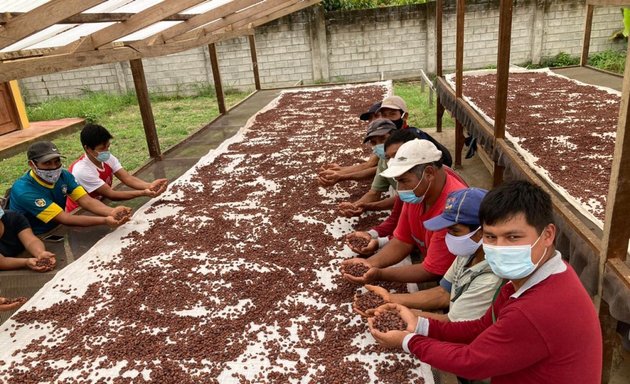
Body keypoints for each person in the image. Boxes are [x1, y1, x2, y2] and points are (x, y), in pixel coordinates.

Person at [368, 180, 602, 383]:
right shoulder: (529, 278)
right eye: (491, 237)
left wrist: (409, 341)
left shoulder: (536, 309)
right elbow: (481, 327)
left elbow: (472, 362)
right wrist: (419, 324)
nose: (499, 248)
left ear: (548, 235)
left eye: (513, 237)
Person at [355, 188, 503, 324]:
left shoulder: (491, 277)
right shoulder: (468, 253)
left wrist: (398, 313)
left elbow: (454, 325)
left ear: (481, 233)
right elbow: (443, 293)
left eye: (455, 231)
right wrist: (389, 299)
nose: (448, 236)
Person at [341, 139, 466, 285]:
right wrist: (369, 264)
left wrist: (379, 274)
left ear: (429, 173)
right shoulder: (419, 194)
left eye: (404, 180)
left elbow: (432, 270)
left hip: (455, 283)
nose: (399, 189)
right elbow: (403, 240)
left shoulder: (454, 208)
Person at [9, 141, 132, 235]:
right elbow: (65, 218)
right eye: (47, 163)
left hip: (57, 228)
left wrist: (111, 211)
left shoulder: (63, 175)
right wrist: (105, 220)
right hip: (33, 236)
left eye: (57, 161)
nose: (54, 167)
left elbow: (86, 200)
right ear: (32, 164)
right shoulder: (24, 190)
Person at [66, 123, 168, 212]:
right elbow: (111, 194)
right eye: (102, 148)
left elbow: (127, 178)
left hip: (99, 203)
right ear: (87, 148)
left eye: (108, 147)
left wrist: (149, 186)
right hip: (81, 211)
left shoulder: (107, 158)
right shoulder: (82, 170)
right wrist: (143, 192)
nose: (106, 151)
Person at [338, 118, 398, 217]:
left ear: (395, 136)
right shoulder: (384, 161)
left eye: (383, 139)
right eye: (374, 142)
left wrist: (368, 206)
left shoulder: (406, 159)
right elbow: (374, 193)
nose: (379, 145)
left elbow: (405, 198)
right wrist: (355, 206)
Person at [317, 102, 382, 187]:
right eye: (370, 119)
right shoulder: (378, 137)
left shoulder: (391, 137)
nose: (372, 121)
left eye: (377, 116)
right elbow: (369, 164)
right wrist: (339, 170)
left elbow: (373, 167)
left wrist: (340, 175)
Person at [377, 95, 453, 167]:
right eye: (384, 115)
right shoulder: (392, 136)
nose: (387, 119)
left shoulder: (412, 137)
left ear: (405, 116)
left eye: (392, 114)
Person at [0, 207, 56, 272]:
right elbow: (1, 261)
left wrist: (40, 252)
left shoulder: (14, 218)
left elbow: (31, 241)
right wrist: (25, 262)